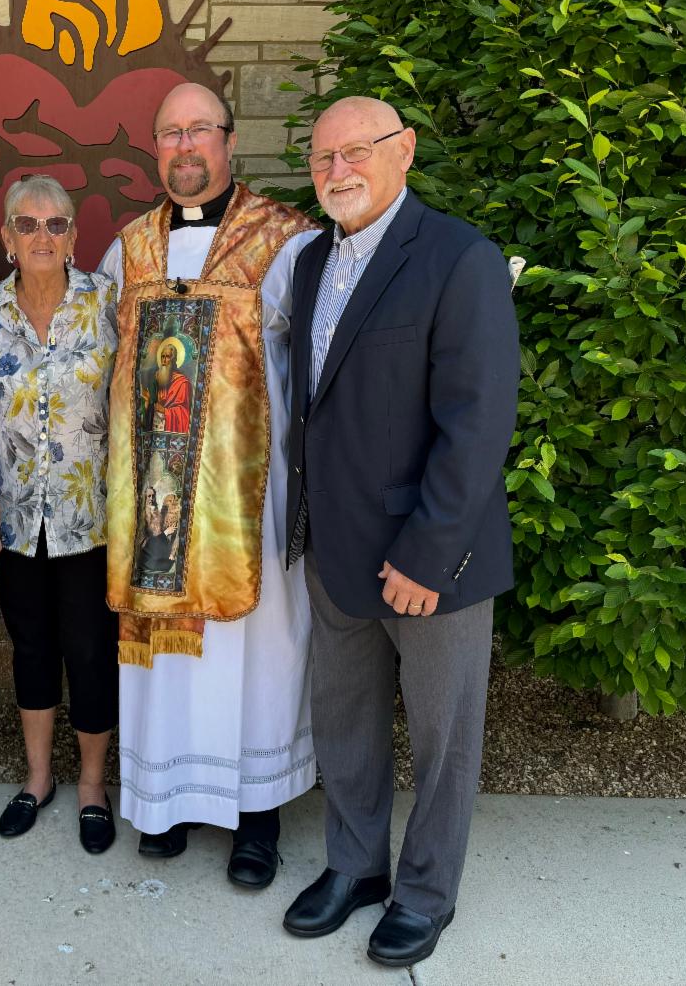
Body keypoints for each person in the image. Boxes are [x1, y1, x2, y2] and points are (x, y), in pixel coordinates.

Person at [282, 96, 519, 966]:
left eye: (357, 151)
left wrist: (427, 553)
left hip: (429, 559)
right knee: (343, 722)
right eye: (322, 158)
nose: (338, 170)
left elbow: (477, 424)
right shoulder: (312, 261)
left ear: (405, 150)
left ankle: (425, 892)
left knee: (443, 739)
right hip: (334, 547)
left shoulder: (460, 258)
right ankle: (355, 866)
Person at [99, 83, 321, 889]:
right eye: (170, 132)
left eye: (200, 129)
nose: (185, 145)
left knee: (255, 654)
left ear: (229, 139)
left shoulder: (287, 241)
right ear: (155, 146)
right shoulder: (128, 249)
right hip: (154, 500)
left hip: (246, 500)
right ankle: (164, 802)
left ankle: (256, 816)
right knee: (164, 657)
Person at [0, 175, 120, 854]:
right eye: (26, 224)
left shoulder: (107, 301)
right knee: (30, 648)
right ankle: (38, 778)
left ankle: (91, 784)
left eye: (55, 224)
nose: (41, 235)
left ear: (73, 236)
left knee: (90, 650)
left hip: (91, 519)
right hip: (14, 521)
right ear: (7, 236)